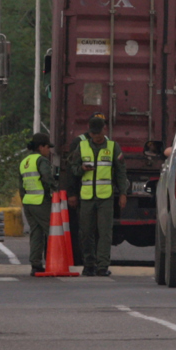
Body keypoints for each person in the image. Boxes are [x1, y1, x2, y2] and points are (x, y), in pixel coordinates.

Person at [65, 114, 128, 277]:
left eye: (99, 134)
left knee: (105, 233)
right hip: (86, 197)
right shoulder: (82, 146)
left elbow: (121, 172)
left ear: (104, 130)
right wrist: (82, 170)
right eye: (93, 135)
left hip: (105, 197)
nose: (96, 137)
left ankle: (102, 266)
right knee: (86, 233)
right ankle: (89, 265)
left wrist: (123, 193)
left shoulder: (114, 147)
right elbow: (73, 168)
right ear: (89, 133)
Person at [20, 132, 54, 274]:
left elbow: (21, 186)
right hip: (40, 202)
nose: (49, 150)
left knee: (36, 233)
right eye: (47, 147)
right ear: (41, 147)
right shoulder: (42, 160)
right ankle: (54, 262)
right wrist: (54, 190)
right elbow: (47, 178)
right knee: (52, 232)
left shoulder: (24, 161)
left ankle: (36, 265)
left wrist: (24, 201)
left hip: (28, 203)